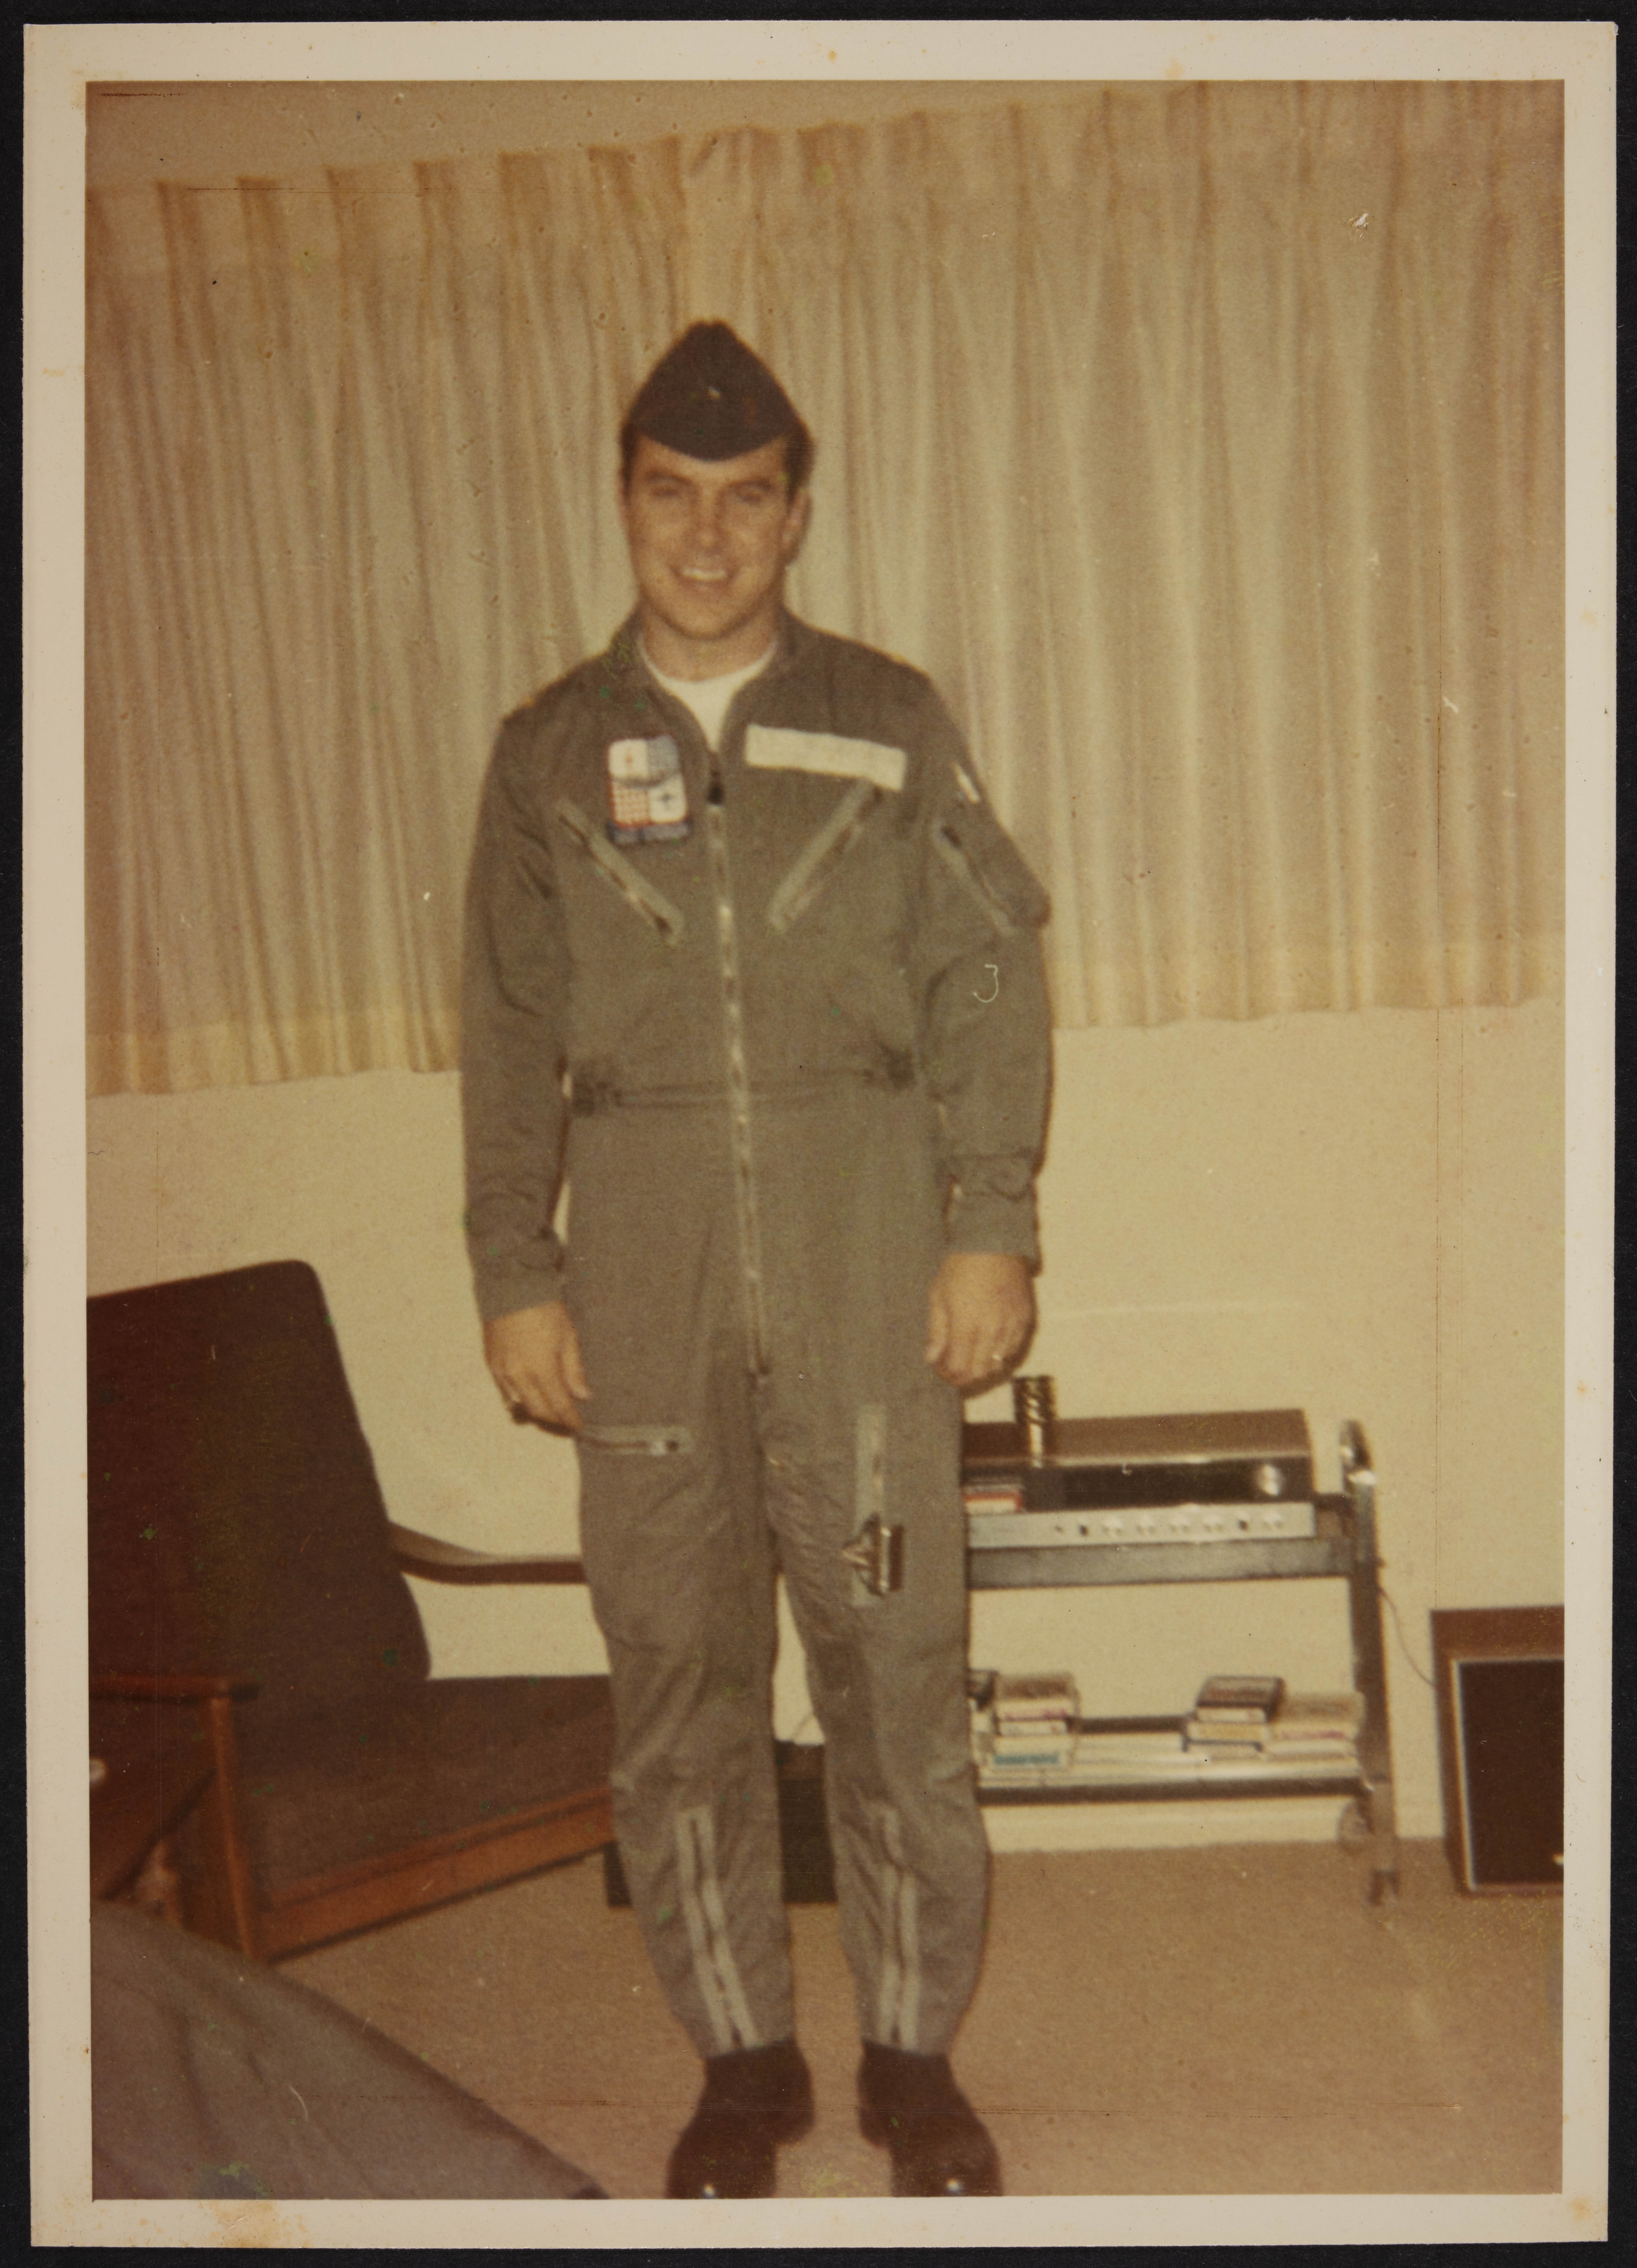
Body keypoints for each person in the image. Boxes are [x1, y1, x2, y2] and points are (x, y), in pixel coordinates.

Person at [461, 321, 1052, 2199]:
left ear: (796, 514)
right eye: (669, 496)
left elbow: (985, 978)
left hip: (866, 1260)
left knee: (891, 1658)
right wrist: (512, 1265)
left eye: (745, 500)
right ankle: (738, 2059)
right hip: (641, 1281)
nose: (705, 538)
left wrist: (991, 1226)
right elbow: (502, 1030)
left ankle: (908, 2055)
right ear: (625, 504)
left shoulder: (887, 720)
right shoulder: (547, 753)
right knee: (680, 1675)